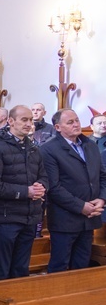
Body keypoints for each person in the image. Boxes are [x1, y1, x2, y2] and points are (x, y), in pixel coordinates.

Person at [0, 105, 48, 280]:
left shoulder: (33, 148)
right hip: (5, 218)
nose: (28, 124)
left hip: (29, 216)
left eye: (30, 120)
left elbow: (44, 176)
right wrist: (26, 191)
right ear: (10, 121)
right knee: (3, 269)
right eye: (24, 120)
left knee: (21, 268)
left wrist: (41, 186)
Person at [40, 109, 106, 273]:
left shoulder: (89, 145)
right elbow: (53, 187)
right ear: (57, 127)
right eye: (70, 122)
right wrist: (81, 206)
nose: (76, 124)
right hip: (65, 219)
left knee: (82, 266)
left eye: (76, 120)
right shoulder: (49, 149)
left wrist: (102, 199)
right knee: (60, 266)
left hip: (89, 219)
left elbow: (102, 176)